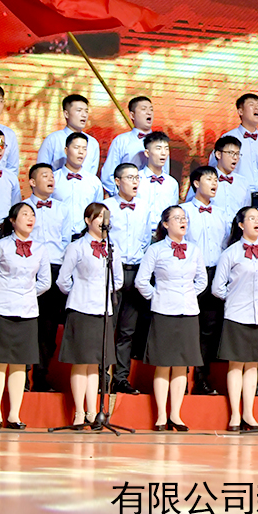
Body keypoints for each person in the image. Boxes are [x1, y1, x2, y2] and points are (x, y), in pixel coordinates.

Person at [0, 202, 51, 428]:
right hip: (0, 309)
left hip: (27, 312)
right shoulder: (0, 246)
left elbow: (45, 282)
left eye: (32, 215)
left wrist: (26, 294)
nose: (30, 218)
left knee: (20, 364)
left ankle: (14, 415)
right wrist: (0, 291)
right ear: (13, 220)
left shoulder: (41, 248)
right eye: (24, 214)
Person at [212, 206, 258, 430]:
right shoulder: (231, 253)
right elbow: (217, 287)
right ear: (241, 224)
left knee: (253, 366)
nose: (257, 221)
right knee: (236, 365)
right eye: (252, 218)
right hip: (236, 315)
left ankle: (249, 414)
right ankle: (235, 415)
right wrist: (236, 298)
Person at [136, 205, 207, 431]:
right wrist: (158, 296)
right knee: (163, 363)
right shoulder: (156, 250)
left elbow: (202, 280)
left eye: (184, 218)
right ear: (166, 224)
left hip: (188, 312)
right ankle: (160, 416)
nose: (182, 221)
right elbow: (141, 281)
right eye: (177, 218)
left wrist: (188, 295)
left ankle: (176, 415)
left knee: (181, 365)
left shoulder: (194, 250)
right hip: (164, 312)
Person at [57, 202, 125, 428]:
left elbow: (118, 280)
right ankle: (78, 412)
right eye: (99, 217)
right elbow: (63, 280)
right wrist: (80, 292)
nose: (104, 221)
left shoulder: (112, 248)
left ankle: (93, 411)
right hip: (81, 309)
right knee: (80, 361)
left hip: (103, 310)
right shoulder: (77, 247)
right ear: (88, 220)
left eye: (107, 217)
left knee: (96, 363)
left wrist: (101, 293)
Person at [103, 163, 152, 395]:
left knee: (127, 330)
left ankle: (121, 378)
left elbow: (146, 239)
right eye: (130, 177)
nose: (134, 182)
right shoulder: (106, 207)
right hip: (111, 271)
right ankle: (102, 377)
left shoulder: (144, 206)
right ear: (117, 181)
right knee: (108, 326)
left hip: (135, 271)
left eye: (137, 178)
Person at [24, 162, 71, 390]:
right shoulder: (23, 208)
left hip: (54, 267)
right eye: (45, 175)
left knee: (48, 327)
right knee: (25, 323)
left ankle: (41, 376)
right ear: (32, 182)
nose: (51, 179)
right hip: (28, 268)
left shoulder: (63, 209)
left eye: (52, 176)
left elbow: (66, 241)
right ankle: (22, 377)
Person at [183, 165, 229, 394]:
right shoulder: (183, 211)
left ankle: (201, 379)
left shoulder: (222, 214)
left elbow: (226, 244)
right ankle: (180, 378)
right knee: (185, 327)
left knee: (209, 330)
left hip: (214, 274)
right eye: (209, 179)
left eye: (216, 180)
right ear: (195, 183)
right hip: (189, 275)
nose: (214, 183)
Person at [100, 96, 154, 196]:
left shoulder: (160, 142)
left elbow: (164, 174)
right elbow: (108, 174)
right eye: (144, 109)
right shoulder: (121, 141)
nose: (149, 113)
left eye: (151, 109)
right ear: (132, 115)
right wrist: (121, 196)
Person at [37, 94, 99, 176]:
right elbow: (41, 172)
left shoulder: (93, 143)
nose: (84, 115)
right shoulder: (53, 139)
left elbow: (92, 175)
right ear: (66, 114)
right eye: (79, 110)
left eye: (86, 111)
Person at [210, 136, 250, 218]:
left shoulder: (243, 182)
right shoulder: (204, 179)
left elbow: (246, 212)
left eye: (237, 154)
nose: (235, 158)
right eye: (231, 153)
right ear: (218, 154)